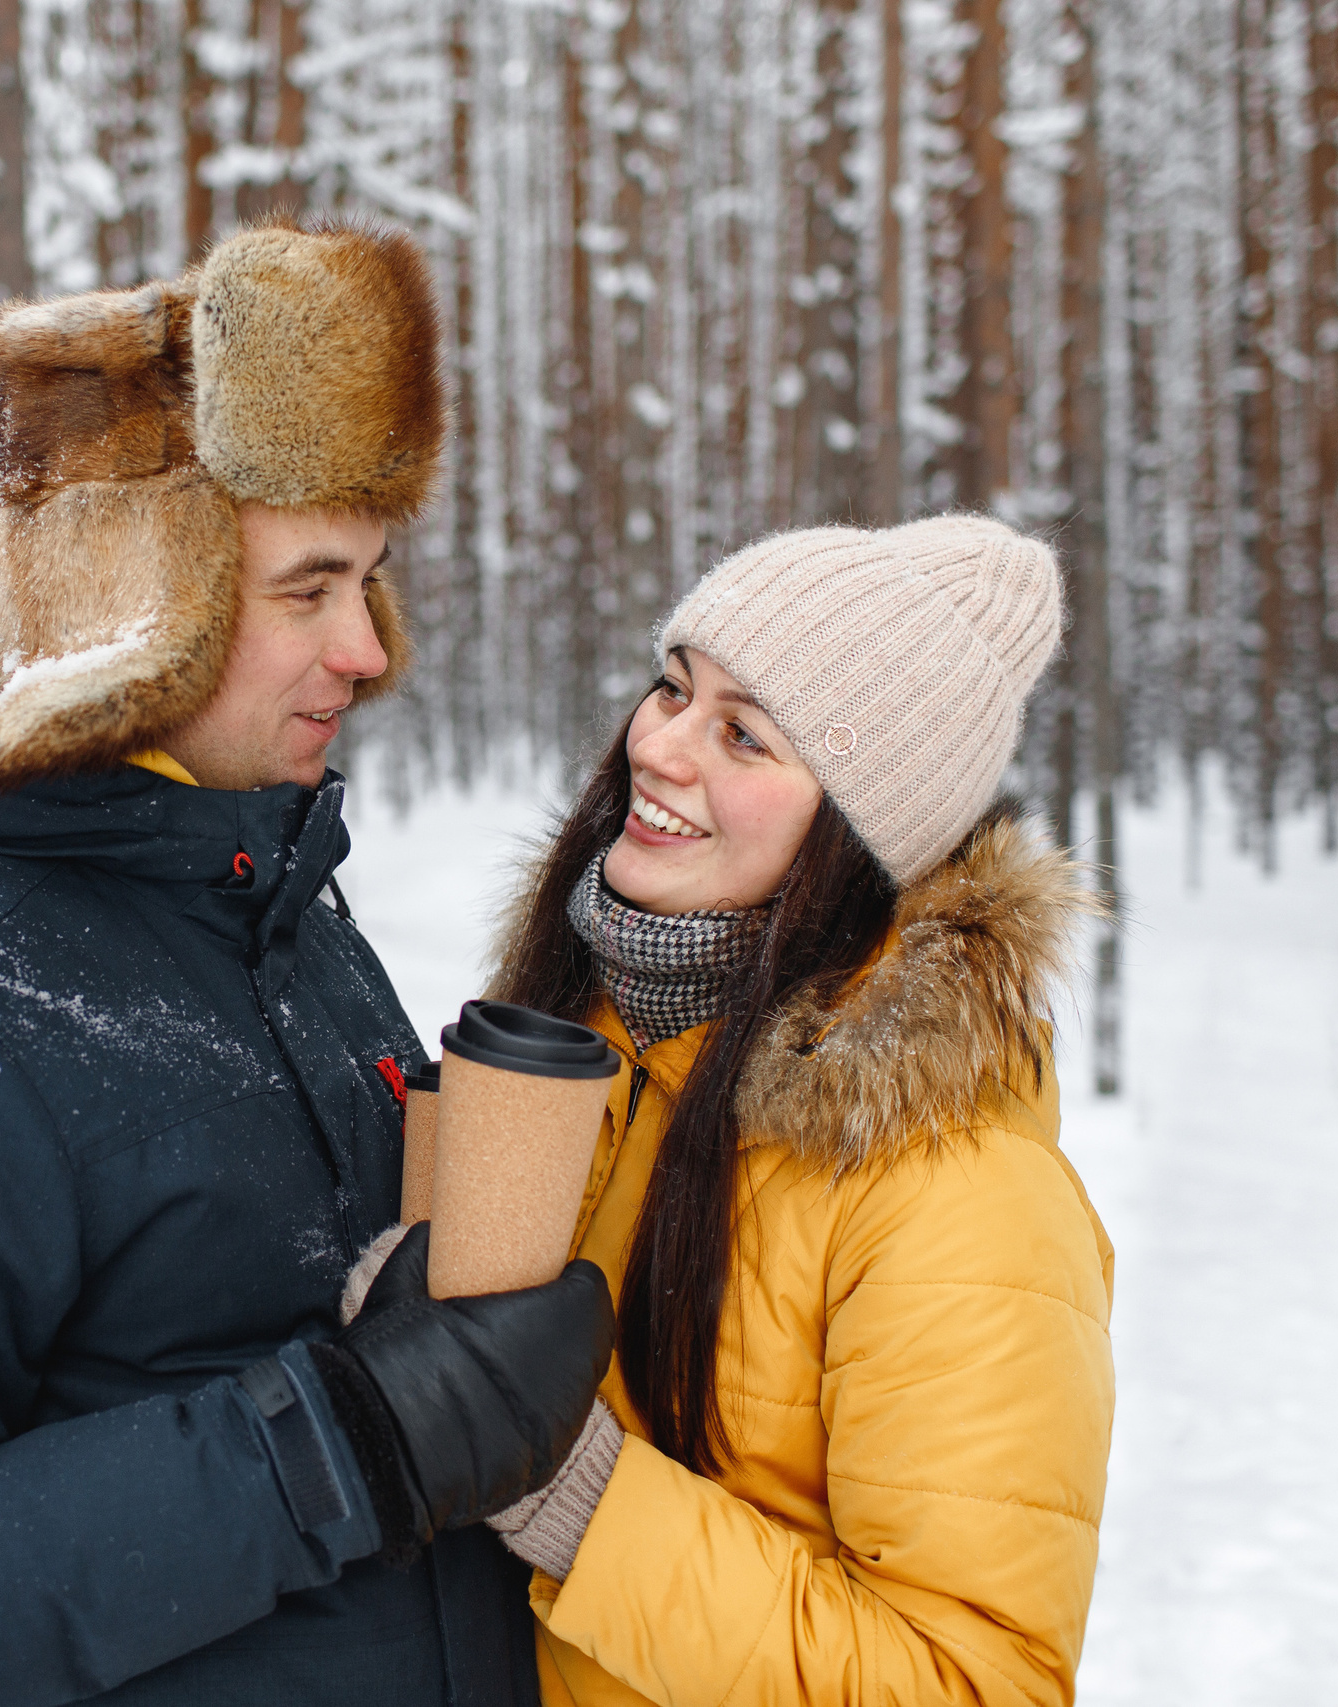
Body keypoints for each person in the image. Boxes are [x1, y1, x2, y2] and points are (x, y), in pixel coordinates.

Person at [0, 218, 612, 1707]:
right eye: (307, 589)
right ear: (137, 605)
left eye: (369, 582)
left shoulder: (272, 905)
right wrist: (348, 1440)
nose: (367, 648)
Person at [473, 517, 1118, 1706]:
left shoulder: (958, 1195)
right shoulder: (600, 1043)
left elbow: (972, 1682)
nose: (660, 748)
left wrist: (572, 1497)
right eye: (673, 689)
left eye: (744, 735)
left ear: (855, 834)